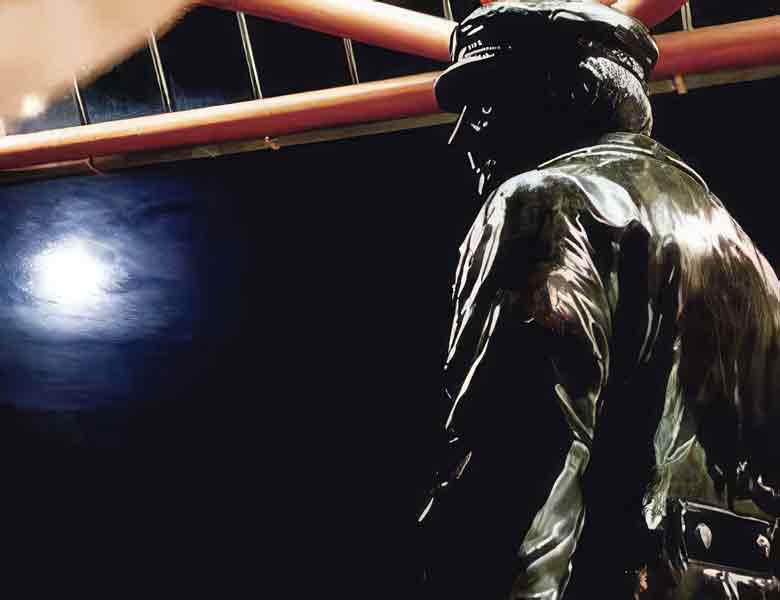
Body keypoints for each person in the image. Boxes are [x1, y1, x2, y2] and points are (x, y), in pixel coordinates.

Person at [418, 2, 780, 598]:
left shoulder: (546, 200)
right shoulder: (749, 258)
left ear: (570, 95)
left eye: (484, 104)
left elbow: (516, 475)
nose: (462, 134)